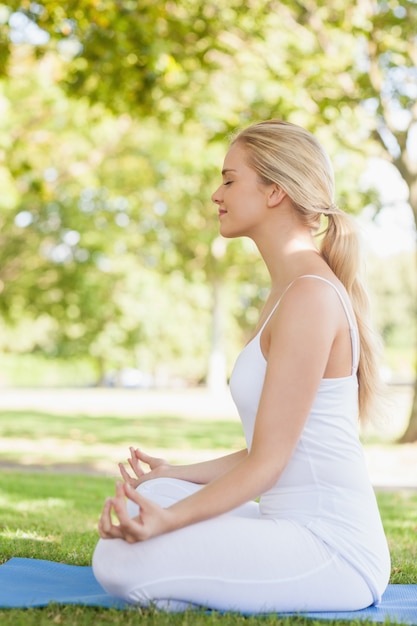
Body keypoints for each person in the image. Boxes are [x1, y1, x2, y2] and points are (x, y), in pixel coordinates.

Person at [92, 120, 391, 613]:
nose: (216, 194)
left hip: (334, 549)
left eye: (230, 180)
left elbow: (267, 465)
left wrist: (170, 523)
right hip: (284, 524)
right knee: (156, 491)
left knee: (120, 561)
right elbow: (271, 448)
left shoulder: (310, 297)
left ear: (275, 191)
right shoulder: (288, 290)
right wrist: (177, 473)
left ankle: (188, 585)